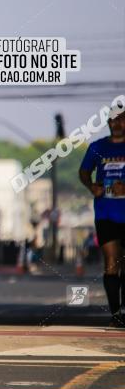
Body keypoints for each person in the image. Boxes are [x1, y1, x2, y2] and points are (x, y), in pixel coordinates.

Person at [79, 109, 125, 328]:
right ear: (108, 122)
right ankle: (116, 312)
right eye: (113, 120)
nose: (117, 124)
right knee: (111, 263)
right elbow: (84, 172)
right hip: (106, 212)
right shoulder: (98, 147)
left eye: (122, 120)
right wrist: (92, 186)